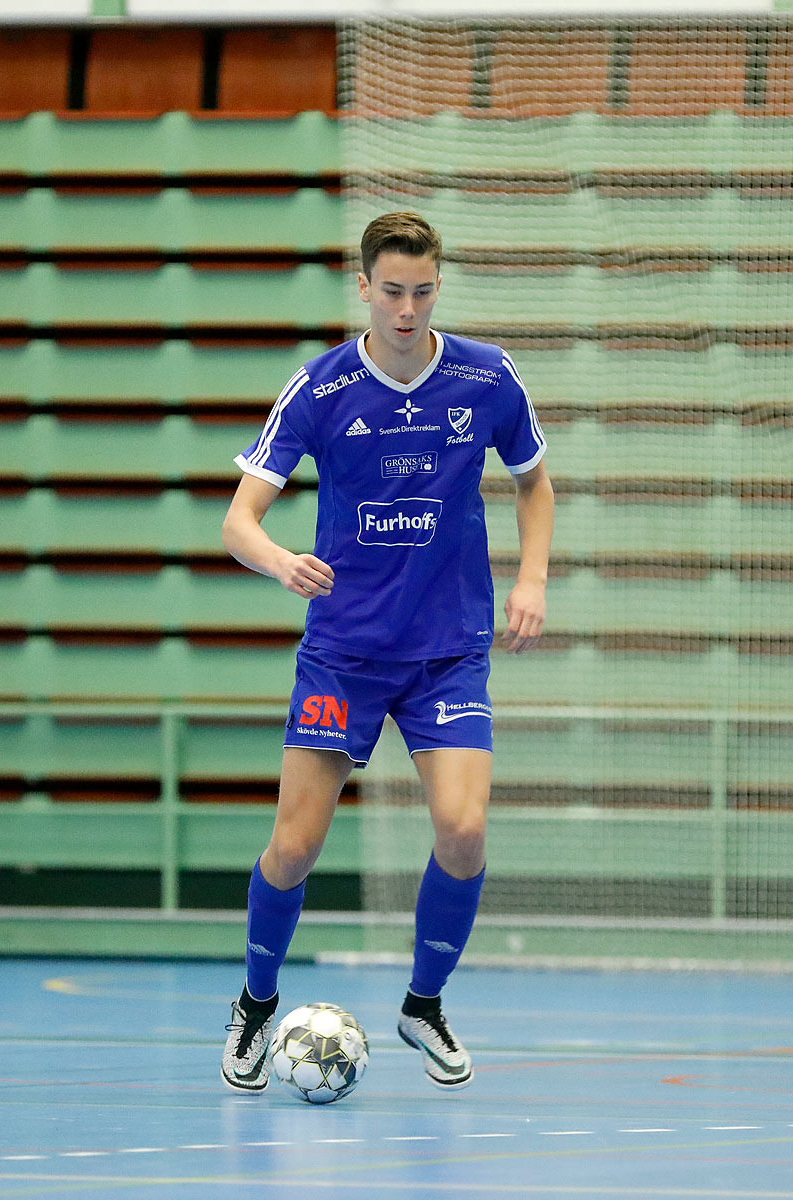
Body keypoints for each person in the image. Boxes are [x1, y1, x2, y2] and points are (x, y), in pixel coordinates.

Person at [219, 211, 554, 1093]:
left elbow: (533, 480)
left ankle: (424, 1003)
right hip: (345, 655)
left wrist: (532, 580)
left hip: (447, 651)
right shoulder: (321, 389)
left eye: (423, 292)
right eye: (392, 291)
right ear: (363, 287)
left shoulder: (486, 376)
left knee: (466, 830)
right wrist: (282, 559)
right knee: (294, 849)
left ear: (437, 288)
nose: (407, 309)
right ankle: (255, 1005)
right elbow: (237, 522)